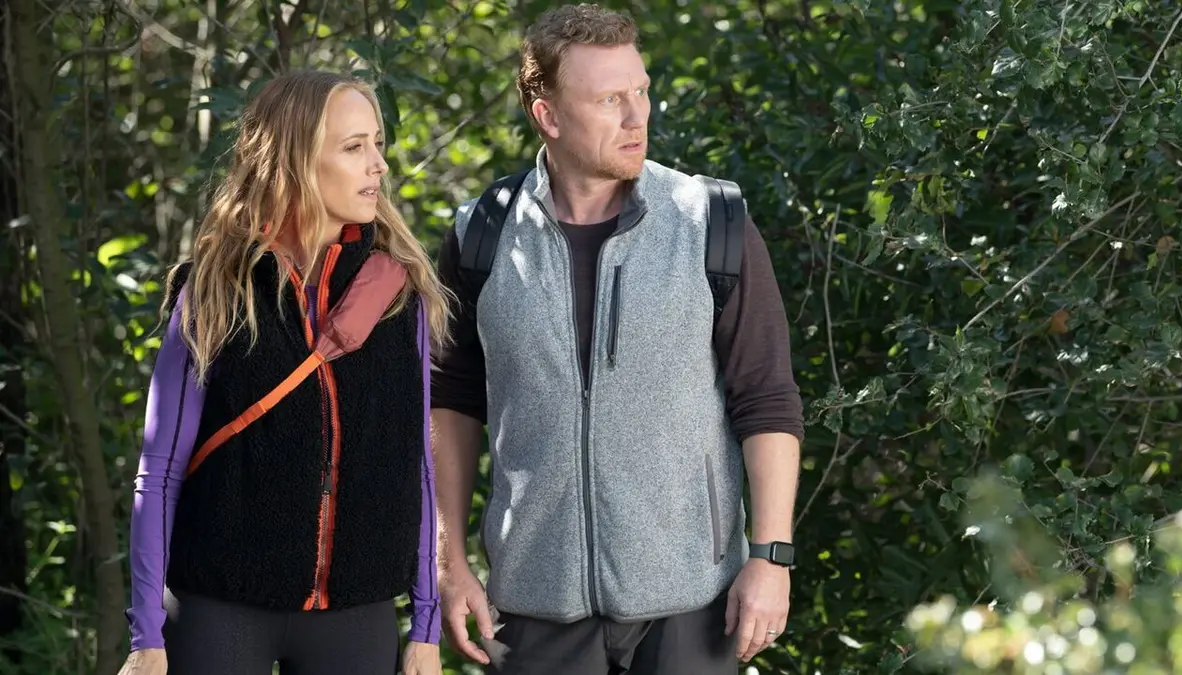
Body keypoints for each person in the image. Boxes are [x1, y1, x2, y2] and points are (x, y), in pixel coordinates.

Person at [430, 4, 805, 674]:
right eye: (610, 100)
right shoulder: (480, 236)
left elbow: (767, 397)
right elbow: (449, 403)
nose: (637, 117)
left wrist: (771, 558)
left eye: (641, 91)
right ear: (548, 116)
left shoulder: (712, 223)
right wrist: (449, 561)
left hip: (694, 604)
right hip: (536, 607)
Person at [117, 70, 447, 675]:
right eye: (354, 147)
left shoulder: (398, 297)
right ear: (295, 161)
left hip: (357, 613)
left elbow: (416, 466)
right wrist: (146, 635)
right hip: (219, 610)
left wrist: (426, 624)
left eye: (377, 144)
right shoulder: (217, 291)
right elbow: (158, 471)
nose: (378, 165)